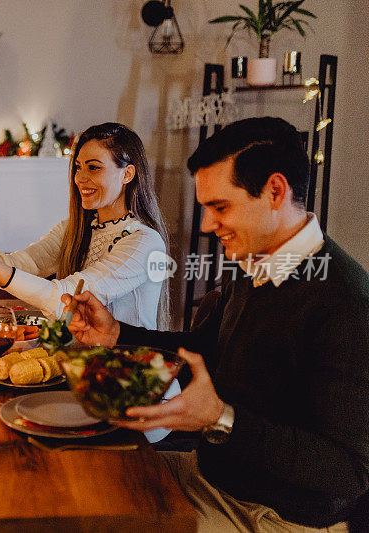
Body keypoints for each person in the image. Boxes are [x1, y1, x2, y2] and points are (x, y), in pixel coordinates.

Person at [61, 117, 367, 532]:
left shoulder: (346, 301)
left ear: (276, 191)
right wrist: (119, 334)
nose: (206, 224)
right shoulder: (253, 260)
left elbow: (348, 472)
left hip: (274, 516)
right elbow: (206, 346)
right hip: (211, 478)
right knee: (78, 485)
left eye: (220, 207)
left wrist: (220, 419)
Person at [0, 122, 170, 330]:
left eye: (94, 167)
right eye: (78, 168)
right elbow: (21, 264)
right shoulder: (73, 229)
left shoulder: (144, 243)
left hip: (131, 376)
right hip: (77, 365)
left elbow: (66, 299)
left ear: (127, 175)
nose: (80, 179)